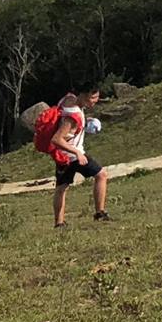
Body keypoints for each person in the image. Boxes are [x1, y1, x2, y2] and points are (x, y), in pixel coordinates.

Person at [49, 86, 108, 228]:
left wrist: (84, 121)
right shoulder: (73, 116)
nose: (95, 101)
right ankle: (99, 213)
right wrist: (77, 153)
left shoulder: (67, 99)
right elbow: (57, 139)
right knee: (101, 175)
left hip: (61, 156)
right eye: (93, 98)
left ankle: (59, 223)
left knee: (62, 187)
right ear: (84, 95)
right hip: (73, 155)